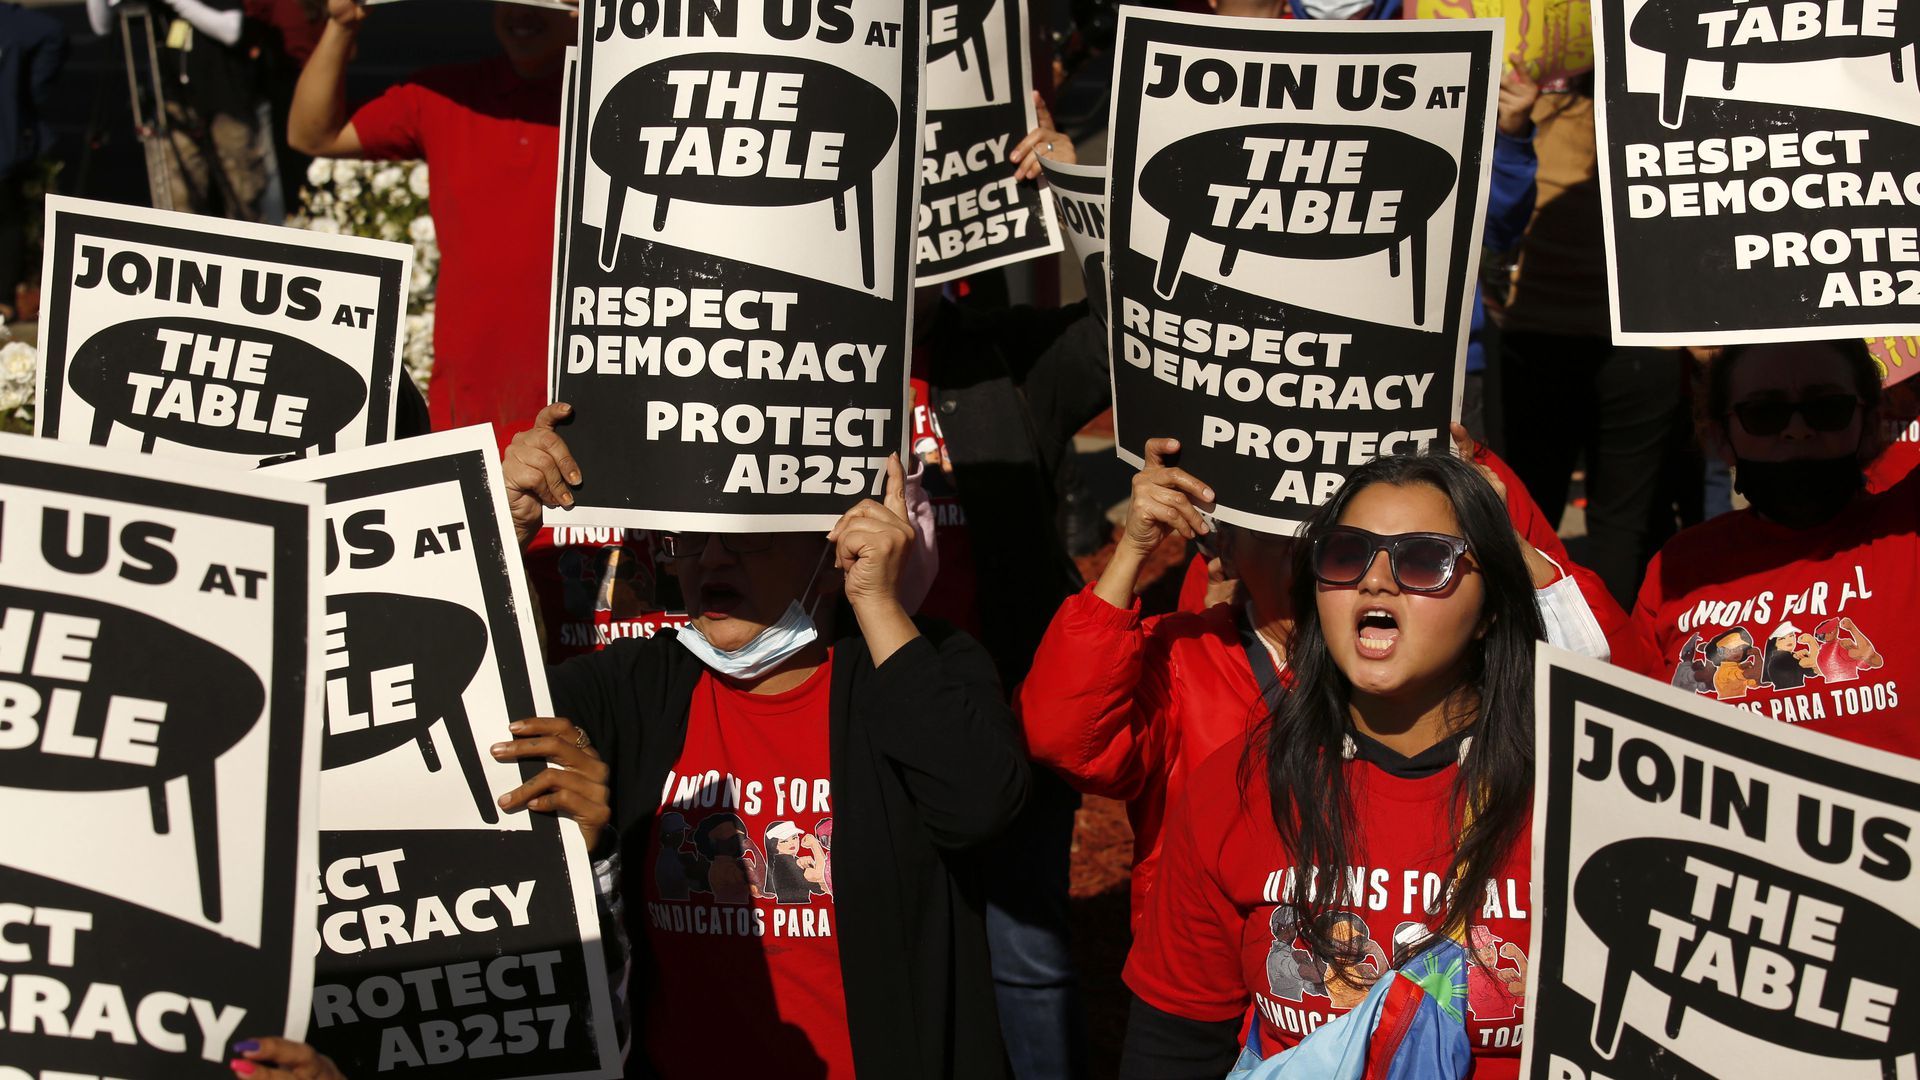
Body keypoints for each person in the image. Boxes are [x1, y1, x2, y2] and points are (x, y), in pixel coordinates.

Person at [491, 403, 1032, 1077]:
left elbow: (978, 806)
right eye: (692, 538)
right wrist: (499, 538)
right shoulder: (641, 683)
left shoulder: (926, 662)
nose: (712, 558)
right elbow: (484, 733)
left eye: (749, 536)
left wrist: (880, 605)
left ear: (831, 552)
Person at [1018, 428, 1623, 927]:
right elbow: (1064, 736)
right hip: (1226, 1000)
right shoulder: (1186, 657)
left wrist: (1499, 537)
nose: (1306, 540)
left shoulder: (1439, 650)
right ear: (1219, 543)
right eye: (1272, 519)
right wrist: (1131, 552)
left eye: (1337, 528)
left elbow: (1622, 701)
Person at [1119, 452, 1543, 1076]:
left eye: (1424, 560)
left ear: (1492, 609)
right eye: (1346, 555)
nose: (1375, 581)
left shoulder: (1576, 796)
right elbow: (1172, 1050)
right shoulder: (1237, 786)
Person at [289, 0, 684, 662]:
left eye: (543, 4)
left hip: (595, 425)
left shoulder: (638, 95)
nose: (521, 15)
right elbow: (313, 135)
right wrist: (344, 24)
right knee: (481, 639)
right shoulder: (444, 94)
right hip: (469, 423)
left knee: (603, 647)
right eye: (510, 2)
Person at [1624, 339, 1918, 756]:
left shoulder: (1909, 531)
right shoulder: (1678, 566)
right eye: (1763, 413)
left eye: (1827, 407)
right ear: (1722, 437)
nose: (1797, 429)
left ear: (1869, 424)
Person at [0, 0, 64, 320]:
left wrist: (26, 93)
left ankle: (5, 299)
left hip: (4, 147)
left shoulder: (9, 22)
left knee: (7, 219)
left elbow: (53, 35)